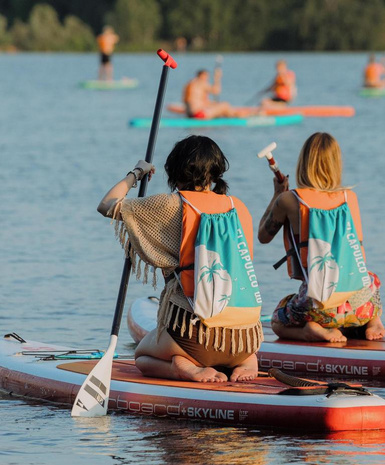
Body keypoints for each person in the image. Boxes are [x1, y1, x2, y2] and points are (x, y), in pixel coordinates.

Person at [97, 135, 263, 383]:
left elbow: (107, 205)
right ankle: (247, 362)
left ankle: (184, 367)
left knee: (142, 355)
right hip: (247, 336)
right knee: (237, 344)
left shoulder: (170, 204)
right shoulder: (237, 206)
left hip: (194, 336)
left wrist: (137, 173)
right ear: (216, 171)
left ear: (175, 170)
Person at [258, 132, 385, 343]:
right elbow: (359, 256)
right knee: (369, 277)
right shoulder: (349, 198)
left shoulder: (289, 200)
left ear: (304, 163)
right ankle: (373, 319)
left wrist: (277, 195)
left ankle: (310, 330)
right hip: (359, 304)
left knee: (277, 320)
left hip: (319, 307)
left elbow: (263, 235)